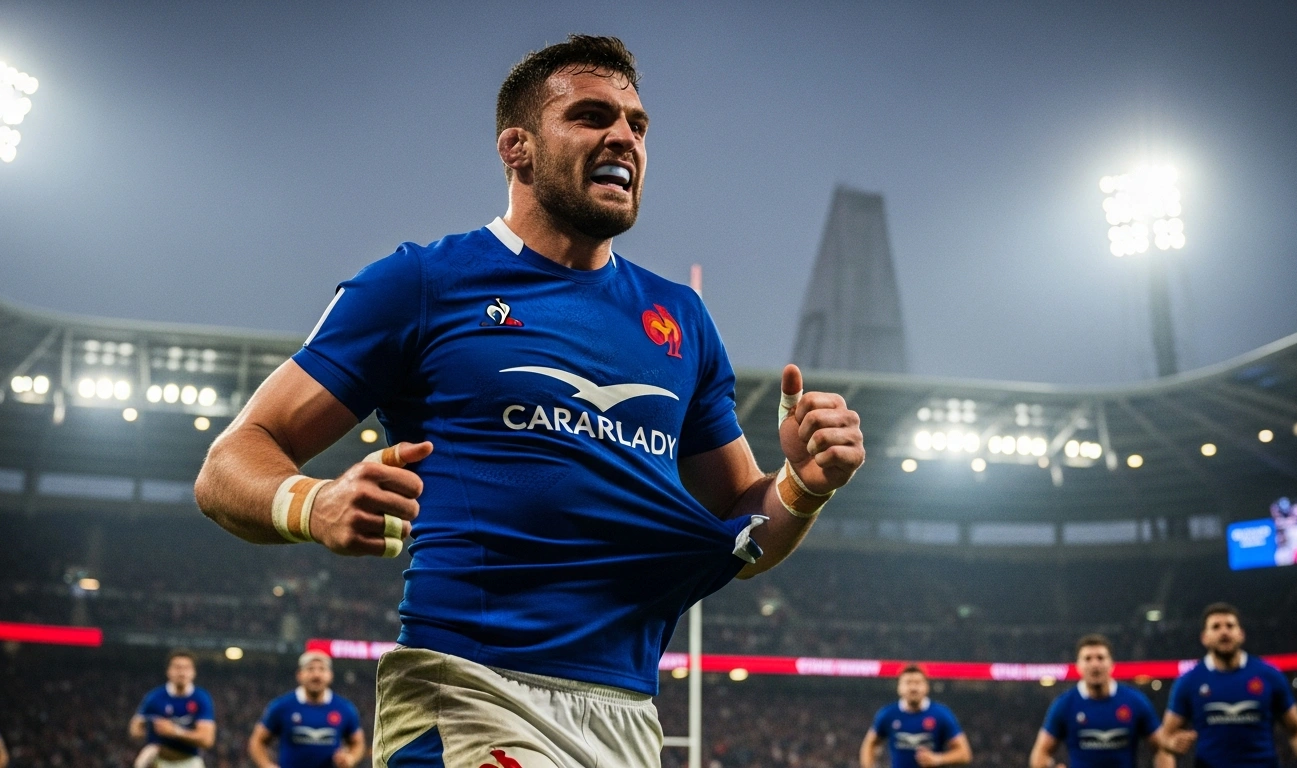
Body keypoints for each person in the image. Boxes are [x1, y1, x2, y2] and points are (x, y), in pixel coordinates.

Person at [195, 34, 865, 768]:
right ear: (517, 148)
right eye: (590, 116)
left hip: (628, 716)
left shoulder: (681, 322)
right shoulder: (422, 283)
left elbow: (742, 528)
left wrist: (802, 484)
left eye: (637, 124)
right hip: (473, 691)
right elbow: (229, 462)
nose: (624, 137)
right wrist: (312, 504)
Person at [1156, 603, 1297, 768]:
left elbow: (1296, 729)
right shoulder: (1188, 682)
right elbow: (1166, 735)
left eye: (1230, 626)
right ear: (1204, 638)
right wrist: (1170, 743)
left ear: (1241, 634)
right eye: (1216, 627)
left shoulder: (1269, 676)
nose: (1224, 631)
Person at [1029, 635, 1190, 768]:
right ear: (1078, 666)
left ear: (1111, 664)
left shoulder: (1135, 701)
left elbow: (1161, 748)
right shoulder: (1064, 704)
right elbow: (1040, 753)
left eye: (1100, 658)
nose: (1095, 664)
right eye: (1088, 658)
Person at [249, 651, 364, 768]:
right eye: (310, 669)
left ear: (330, 675)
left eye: (322, 669)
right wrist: (267, 765)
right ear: (299, 675)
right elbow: (257, 741)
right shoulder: (281, 706)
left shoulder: (344, 708)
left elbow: (357, 742)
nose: (316, 675)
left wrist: (350, 758)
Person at [860, 666, 972, 768]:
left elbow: (964, 754)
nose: (913, 688)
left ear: (926, 687)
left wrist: (938, 759)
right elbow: (869, 745)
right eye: (908, 683)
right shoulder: (888, 714)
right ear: (899, 687)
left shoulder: (941, 714)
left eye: (918, 683)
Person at [129, 651, 217, 768]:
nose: (182, 672)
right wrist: (153, 738)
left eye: (186, 668)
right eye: (177, 667)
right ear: (168, 671)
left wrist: (174, 732)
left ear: (193, 672)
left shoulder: (201, 698)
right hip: (160, 761)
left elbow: (207, 740)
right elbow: (135, 729)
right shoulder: (155, 697)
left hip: (189, 761)